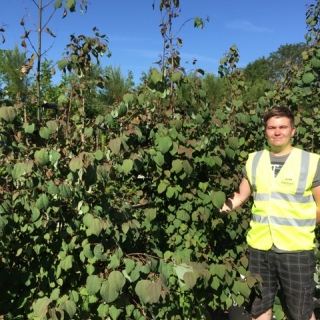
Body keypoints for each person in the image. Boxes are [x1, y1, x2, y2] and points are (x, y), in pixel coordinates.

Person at [220, 106, 320, 320]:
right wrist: (218, 209)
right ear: (265, 131)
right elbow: (240, 195)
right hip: (260, 247)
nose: (277, 132)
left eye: (283, 127)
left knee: (301, 311)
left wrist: (305, 226)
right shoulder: (254, 160)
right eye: (271, 127)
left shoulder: (311, 161)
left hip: (296, 249)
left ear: (293, 130)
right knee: (259, 305)